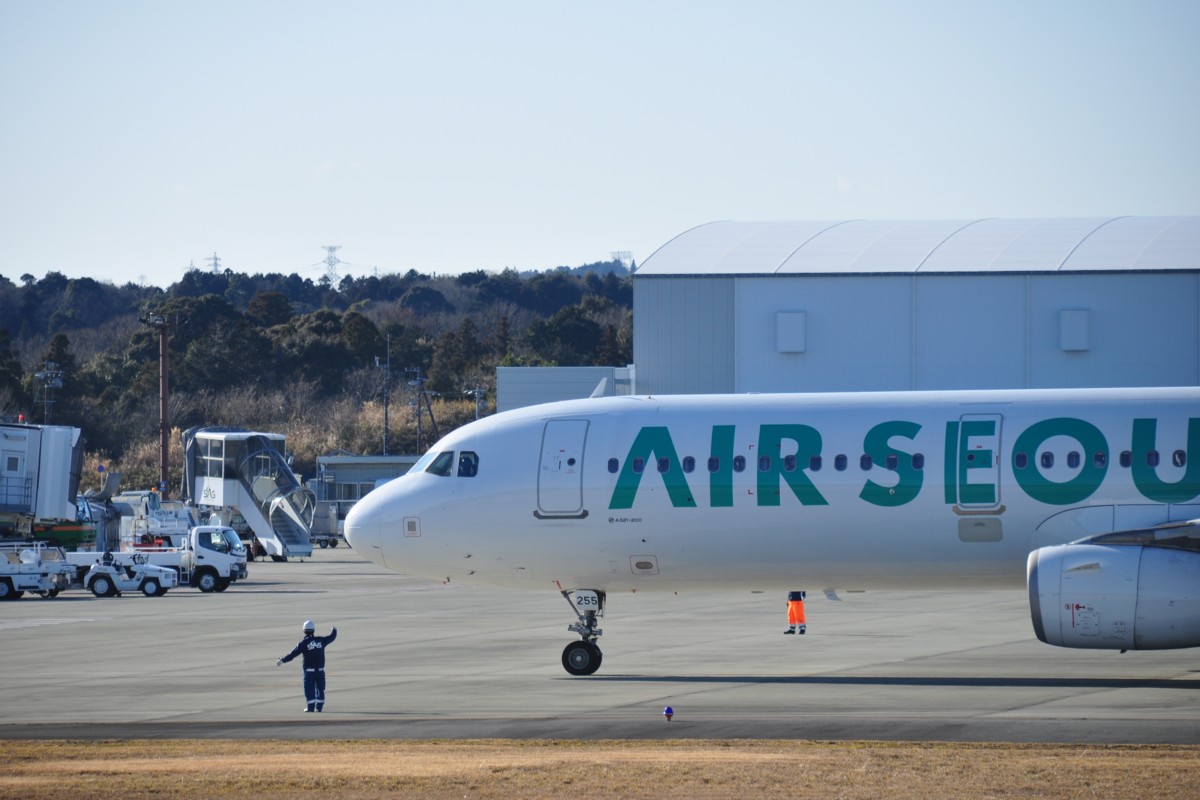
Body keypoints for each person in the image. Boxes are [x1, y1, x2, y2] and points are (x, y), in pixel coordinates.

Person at [276, 619, 337, 712]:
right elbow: (332, 637)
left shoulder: (303, 643)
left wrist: (282, 660)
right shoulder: (321, 641)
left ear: (304, 630)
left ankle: (310, 707)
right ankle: (319, 707)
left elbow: (293, 654)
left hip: (309, 672)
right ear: (314, 630)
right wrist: (334, 629)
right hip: (320, 671)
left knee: (309, 689)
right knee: (320, 688)